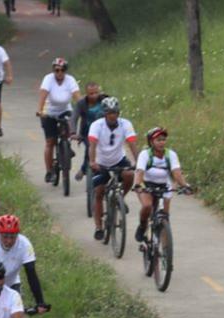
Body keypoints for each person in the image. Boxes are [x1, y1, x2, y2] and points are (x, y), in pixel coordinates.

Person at [0, 214, 48, 313]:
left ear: (18, 234)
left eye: (13, 237)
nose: (9, 241)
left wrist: (40, 302)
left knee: (16, 316)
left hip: (11, 284)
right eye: (5, 237)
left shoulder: (24, 244)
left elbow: (31, 274)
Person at [86, 97, 137, 240]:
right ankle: (98, 226)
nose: (112, 115)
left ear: (118, 113)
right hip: (101, 162)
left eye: (115, 112)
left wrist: (138, 161)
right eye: (109, 113)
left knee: (129, 175)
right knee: (99, 193)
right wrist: (92, 161)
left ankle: (120, 198)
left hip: (119, 160)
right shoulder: (97, 125)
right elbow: (93, 145)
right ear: (104, 113)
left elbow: (132, 143)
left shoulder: (125, 124)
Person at [132, 127, 192, 242]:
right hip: (146, 184)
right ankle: (142, 225)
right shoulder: (145, 154)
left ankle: (165, 250)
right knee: (147, 206)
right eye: (158, 140)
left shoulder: (171, 155)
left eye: (163, 139)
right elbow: (140, 171)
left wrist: (185, 186)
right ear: (151, 142)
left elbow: (177, 173)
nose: (161, 142)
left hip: (164, 185)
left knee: (165, 216)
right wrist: (137, 185)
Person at [36, 57, 79, 183]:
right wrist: (40, 110)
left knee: (70, 129)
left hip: (65, 110)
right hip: (49, 112)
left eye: (62, 70)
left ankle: (66, 147)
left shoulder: (70, 80)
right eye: (57, 70)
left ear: (65, 71)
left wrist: (83, 108)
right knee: (50, 142)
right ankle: (49, 171)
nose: (59, 73)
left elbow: (77, 96)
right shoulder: (48, 79)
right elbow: (43, 95)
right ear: (53, 70)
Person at [72, 81, 105, 181]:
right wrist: (73, 132)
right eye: (91, 94)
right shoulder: (81, 103)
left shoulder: (105, 100)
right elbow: (74, 117)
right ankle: (84, 169)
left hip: (103, 132)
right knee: (90, 149)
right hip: (87, 133)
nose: (94, 96)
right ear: (86, 94)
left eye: (96, 93)